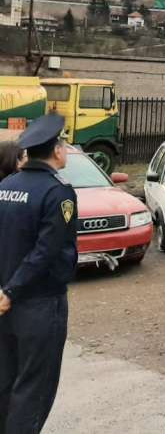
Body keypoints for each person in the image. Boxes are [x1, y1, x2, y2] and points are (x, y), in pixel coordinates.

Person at [0, 115, 77, 434]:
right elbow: (45, 253)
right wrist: (12, 292)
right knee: (34, 390)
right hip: (39, 305)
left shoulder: (5, 186)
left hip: (4, 304)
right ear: (57, 151)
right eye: (65, 146)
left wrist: (4, 293)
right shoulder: (57, 193)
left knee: (6, 383)